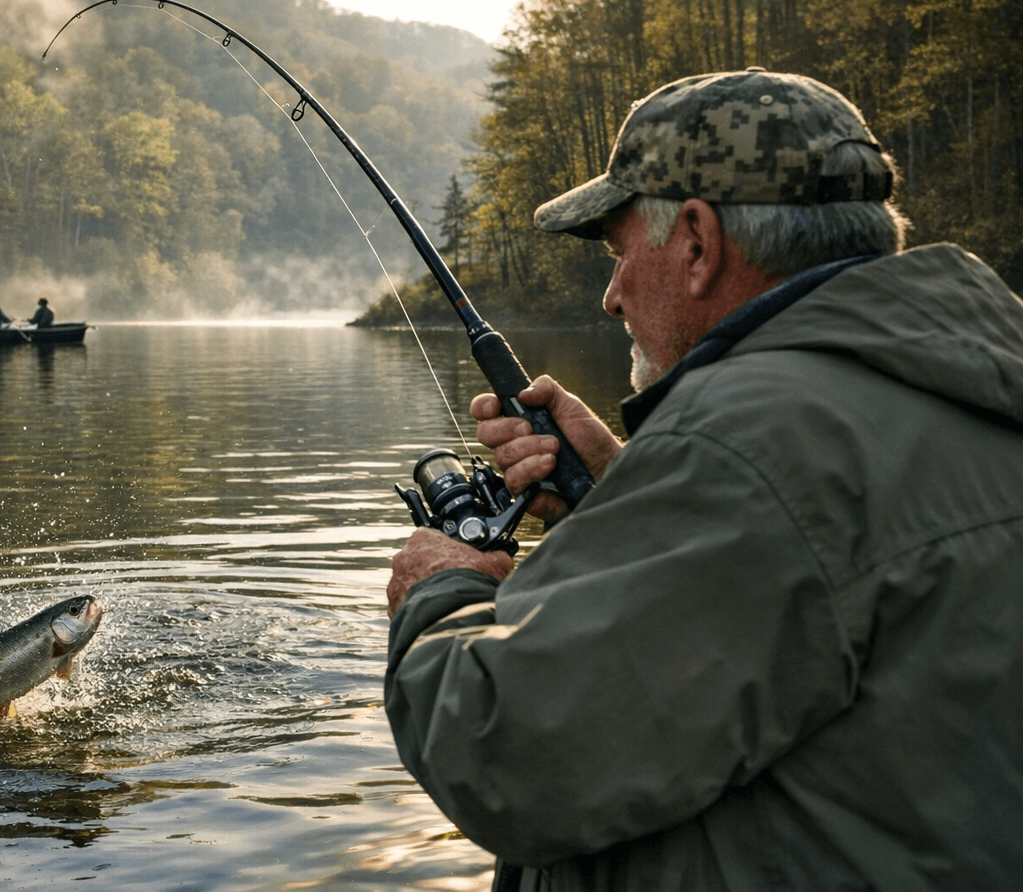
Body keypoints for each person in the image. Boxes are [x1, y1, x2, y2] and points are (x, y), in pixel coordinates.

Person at [384, 68, 1023, 890]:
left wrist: (440, 593)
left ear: (696, 241)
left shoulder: (751, 443)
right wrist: (620, 489)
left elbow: (510, 752)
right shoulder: (968, 388)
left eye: (619, 254)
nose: (612, 298)